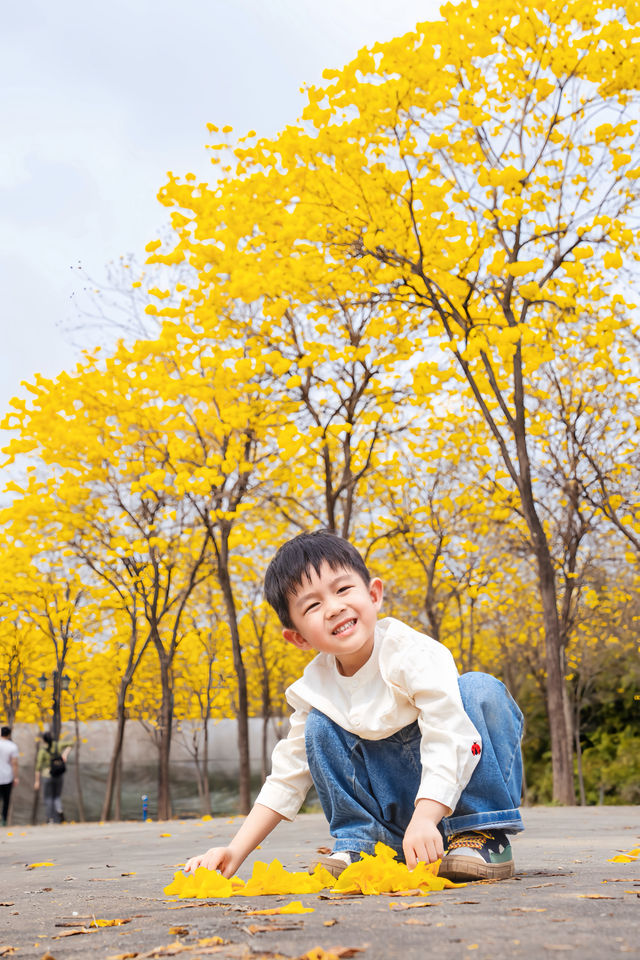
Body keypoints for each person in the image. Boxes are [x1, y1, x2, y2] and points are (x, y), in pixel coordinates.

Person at [185, 530, 524, 882]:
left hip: (449, 799)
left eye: (343, 589)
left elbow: (448, 734)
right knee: (320, 725)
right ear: (298, 637)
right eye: (313, 606)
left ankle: (482, 834)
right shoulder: (316, 688)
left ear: (373, 594)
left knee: (477, 689)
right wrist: (234, 850)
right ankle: (365, 843)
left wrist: (426, 818)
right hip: (398, 814)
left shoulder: (412, 653)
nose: (334, 608)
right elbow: (288, 775)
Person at [34, 731, 73, 824]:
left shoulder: (43, 751)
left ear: (44, 740)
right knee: (57, 796)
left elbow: (38, 766)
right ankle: (59, 810)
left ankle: (50, 818)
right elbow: (71, 743)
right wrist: (65, 753)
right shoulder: (57, 745)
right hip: (58, 774)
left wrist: (37, 781)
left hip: (47, 775)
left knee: (48, 797)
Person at [0, 726, 19, 826]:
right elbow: (14, 763)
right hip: (7, 776)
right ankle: (3, 820)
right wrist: (16, 777)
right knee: (6, 800)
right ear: (9, 734)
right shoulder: (12, 746)